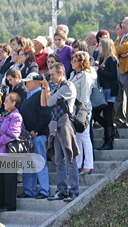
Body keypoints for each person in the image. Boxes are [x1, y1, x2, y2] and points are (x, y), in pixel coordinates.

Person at [40, 63, 80, 202]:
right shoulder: (57, 87)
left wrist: (46, 87)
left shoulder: (67, 86)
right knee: (59, 160)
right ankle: (62, 190)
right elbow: (44, 103)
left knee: (70, 157)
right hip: (56, 125)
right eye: (49, 74)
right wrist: (45, 87)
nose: (50, 77)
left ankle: (74, 190)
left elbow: (50, 102)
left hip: (65, 123)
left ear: (61, 73)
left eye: (52, 75)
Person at [18, 73, 51, 199]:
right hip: (27, 137)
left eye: (29, 81)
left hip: (37, 135)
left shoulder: (41, 94)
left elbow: (45, 115)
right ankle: (29, 190)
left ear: (37, 82)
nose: (26, 84)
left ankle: (44, 190)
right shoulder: (28, 96)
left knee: (39, 162)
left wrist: (36, 131)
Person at [0, 92, 22, 211]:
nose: (4, 103)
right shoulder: (3, 116)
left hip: (9, 152)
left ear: (13, 103)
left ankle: (9, 204)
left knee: (8, 179)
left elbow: (13, 133)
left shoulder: (16, 116)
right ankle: (0, 203)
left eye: (7, 100)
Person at [68, 52, 95, 174]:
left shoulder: (86, 76)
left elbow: (85, 96)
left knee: (84, 137)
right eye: (72, 60)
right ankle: (78, 164)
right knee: (78, 137)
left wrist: (79, 110)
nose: (72, 63)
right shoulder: (73, 74)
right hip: (73, 110)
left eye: (75, 60)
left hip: (83, 110)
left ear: (81, 62)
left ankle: (88, 165)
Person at [94, 39, 119, 150]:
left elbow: (113, 75)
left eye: (100, 46)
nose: (98, 48)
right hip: (102, 90)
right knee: (96, 114)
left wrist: (99, 70)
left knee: (108, 115)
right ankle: (111, 131)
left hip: (109, 90)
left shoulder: (111, 59)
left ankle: (108, 141)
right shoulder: (102, 59)